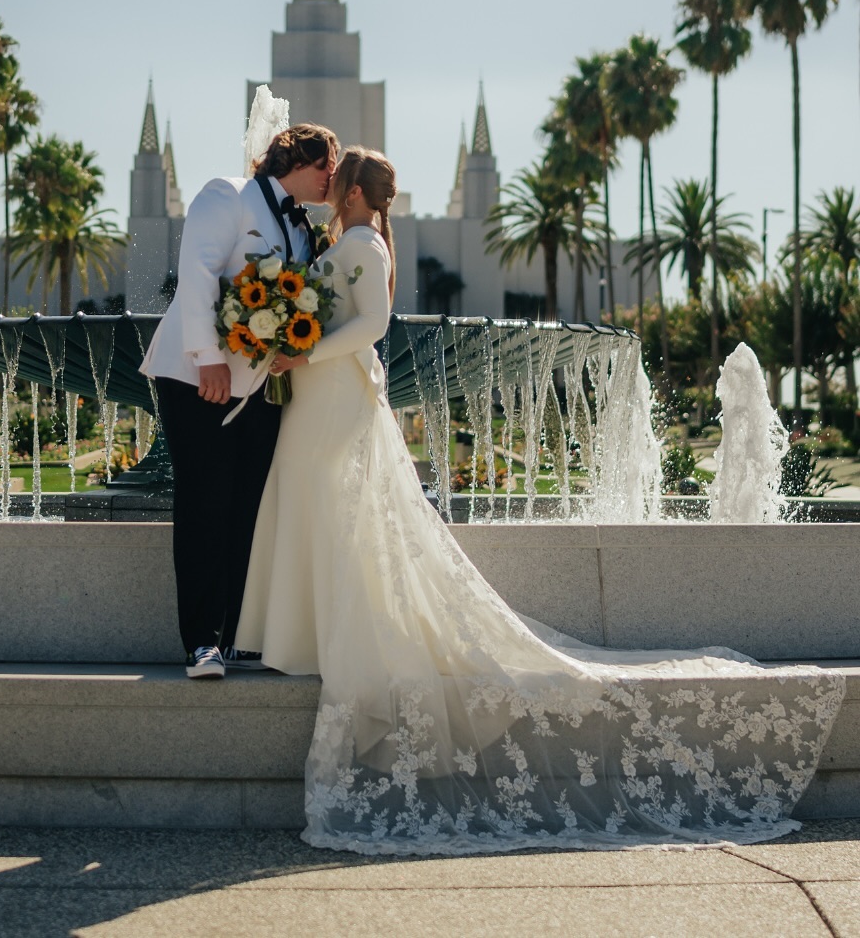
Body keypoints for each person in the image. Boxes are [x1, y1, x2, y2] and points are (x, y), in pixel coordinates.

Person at [237, 147, 845, 855]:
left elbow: (370, 327)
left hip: (335, 396)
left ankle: (340, 644)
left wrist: (299, 352)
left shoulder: (365, 245)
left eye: (336, 175)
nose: (331, 179)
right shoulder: (342, 241)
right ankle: (303, 635)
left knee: (345, 519)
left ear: (348, 191)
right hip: (317, 398)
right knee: (318, 514)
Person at [141, 123, 339, 679]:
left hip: (262, 388)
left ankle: (233, 635)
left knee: (247, 507)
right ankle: (200, 642)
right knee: (205, 503)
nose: (333, 175)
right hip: (197, 377)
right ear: (297, 159)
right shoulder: (226, 194)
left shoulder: (305, 227)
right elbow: (198, 274)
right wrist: (207, 356)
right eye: (327, 164)